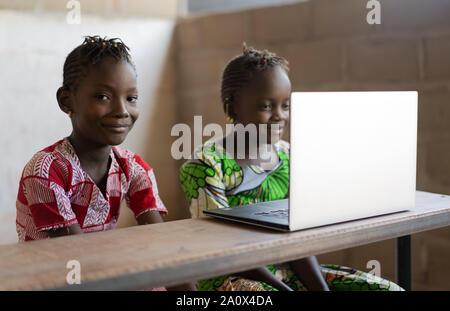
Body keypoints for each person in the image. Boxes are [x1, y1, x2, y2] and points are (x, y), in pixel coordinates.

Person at [179, 44, 404, 291]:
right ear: (232, 106)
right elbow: (222, 249)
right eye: (266, 106)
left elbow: (296, 237)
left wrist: (320, 288)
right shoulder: (206, 164)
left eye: (285, 105)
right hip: (229, 278)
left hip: (287, 272)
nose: (280, 116)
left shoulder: (287, 155)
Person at [15, 35, 195, 291]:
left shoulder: (132, 168)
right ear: (66, 100)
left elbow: (160, 243)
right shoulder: (45, 171)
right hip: (53, 279)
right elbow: (77, 257)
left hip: (100, 271)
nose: (122, 110)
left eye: (131, 98)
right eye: (102, 96)